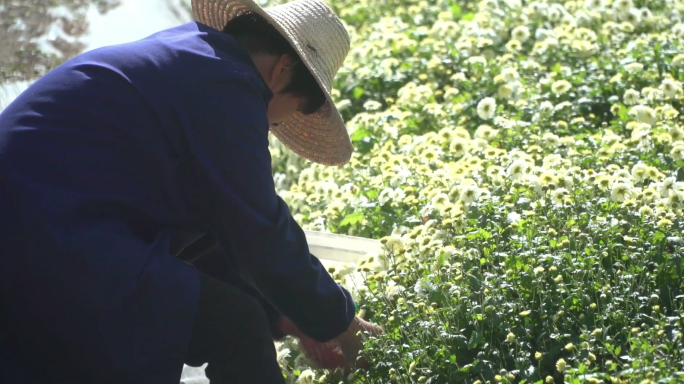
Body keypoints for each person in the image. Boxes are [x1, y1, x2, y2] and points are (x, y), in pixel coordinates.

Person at [0, 0, 382, 383]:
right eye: (282, 115)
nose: (268, 125)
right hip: (47, 229)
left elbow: (216, 235)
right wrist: (342, 324)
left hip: (37, 223)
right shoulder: (226, 86)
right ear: (282, 70)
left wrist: (288, 315)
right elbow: (259, 234)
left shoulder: (196, 57)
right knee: (235, 328)